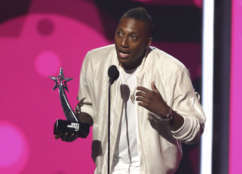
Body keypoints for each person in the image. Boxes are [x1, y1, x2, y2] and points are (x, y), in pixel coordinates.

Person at [57, 7, 206, 174]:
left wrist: (167, 113)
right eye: (120, 34)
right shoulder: (95, 61)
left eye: (133, 37)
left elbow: (194, 131)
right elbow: (88, 108)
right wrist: (76, 126)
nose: (123, 43)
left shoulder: (172, 70)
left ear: (148, 42)